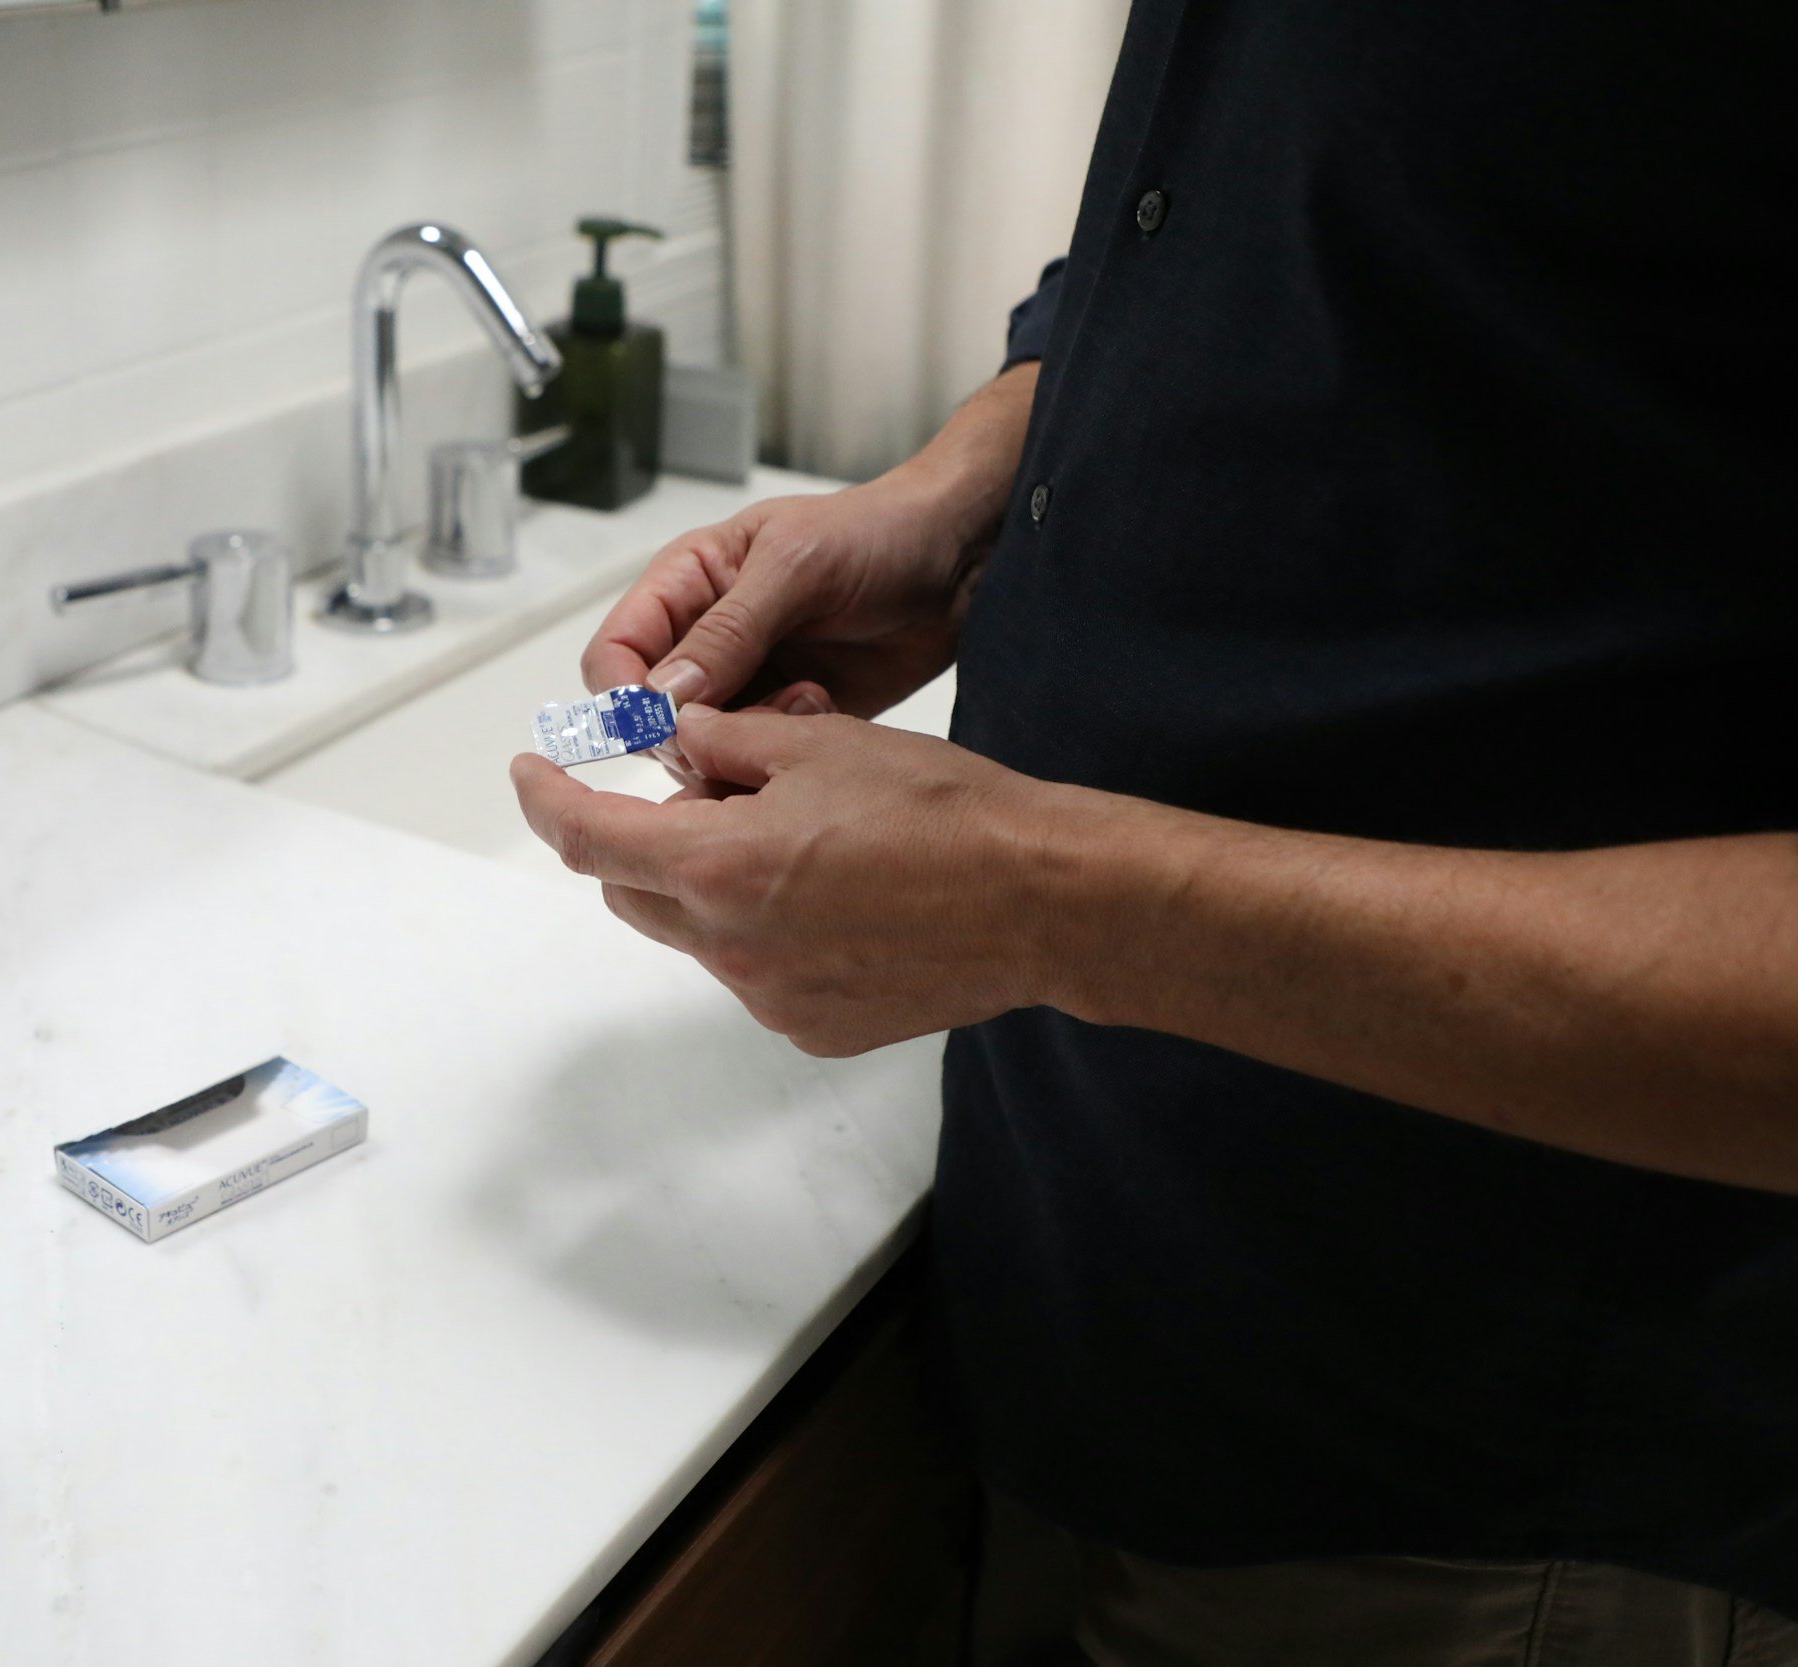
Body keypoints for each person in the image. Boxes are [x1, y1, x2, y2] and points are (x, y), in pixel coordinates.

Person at [510, 7, 1797, 1662]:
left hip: (1487, 1503)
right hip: (1106, 1344)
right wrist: (969, 497)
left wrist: (1043, 901)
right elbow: (1269, 227)